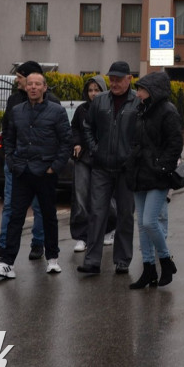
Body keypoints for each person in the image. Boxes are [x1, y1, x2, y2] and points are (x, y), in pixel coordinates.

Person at [0, 71, 72, 279]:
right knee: (15, 217)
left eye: (38, 84)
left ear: (44, 88)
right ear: (26, 87)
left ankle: (52, 258)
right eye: (30, 84)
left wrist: (55, 166)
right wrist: (12, 160)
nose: (33, 87)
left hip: (45, 172)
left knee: (48, 216)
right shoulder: (17, 111)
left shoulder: (56, 111)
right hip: (21, 171)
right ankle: (7, 263)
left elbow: (66, 142)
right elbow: (9, 137)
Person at [80, 60, 139, 275]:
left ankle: (122, 260)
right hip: (101, 167)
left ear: (129, 79)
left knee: (125, 215)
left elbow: (141, 135)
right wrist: (96, 150)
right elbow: (88, 127)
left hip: (126, 170)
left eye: (118, 79)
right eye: (111, 79)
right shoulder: (100, 101)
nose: (113, 83)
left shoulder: (137, 102)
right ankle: (92, 261)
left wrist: (131, 156)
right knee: (96, 213)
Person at [125, 72, 183, 289]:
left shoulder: (168, 111)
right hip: (139, 174)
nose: (137, 93)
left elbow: (175, 144)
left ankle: (166, 261)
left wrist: (162, 167)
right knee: (142, 224)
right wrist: (129, 161)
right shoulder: (141, 110)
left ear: (152, 90)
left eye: (141, 89)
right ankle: (148, 268)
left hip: (158, 176)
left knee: (150, 221)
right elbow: (134, 140)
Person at [69, 76, 107, 253]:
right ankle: (82, 237)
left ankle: (108, 230)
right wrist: (76, 143)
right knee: (81, 197)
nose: (93, 93)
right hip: (84, 158)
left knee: (104, 198)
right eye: (90, 90)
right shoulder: (81, 109)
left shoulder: (109, 108)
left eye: (96, 89)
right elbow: (75, 128)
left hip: (103, 159)